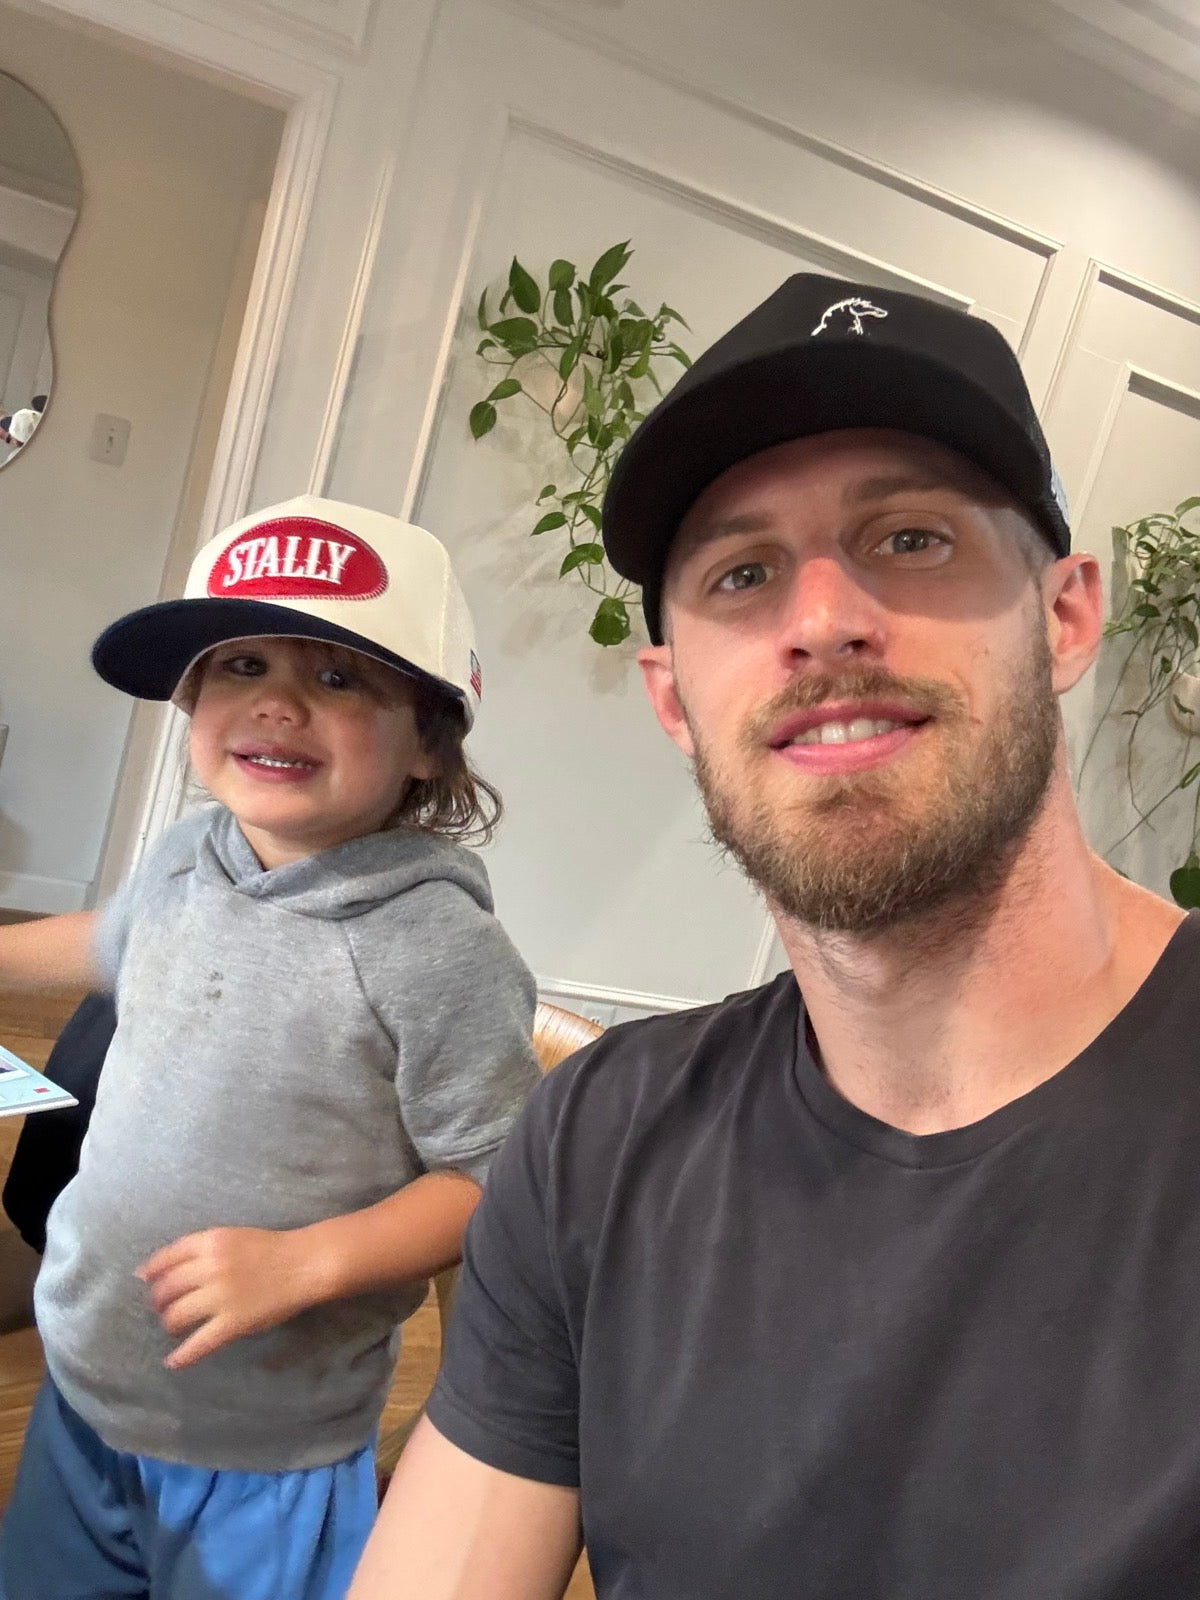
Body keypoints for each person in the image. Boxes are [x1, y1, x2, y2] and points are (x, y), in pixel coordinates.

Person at [350, 274, 1198, 1600]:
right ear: (674, 699)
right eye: (743, 574)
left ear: (1066, 615)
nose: (821, 622)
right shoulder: (594, 1144)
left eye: (913, 539)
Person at [0, 495, 540, 1599]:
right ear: (193, 699)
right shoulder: (194, 853)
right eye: (239, 663)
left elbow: (494, 1180)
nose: (278, 702)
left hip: (262, 1447)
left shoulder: (434, 945)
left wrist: (308, 1262)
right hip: (90, 1378)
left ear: (431, 741)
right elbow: (108, 941)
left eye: (338, 676)